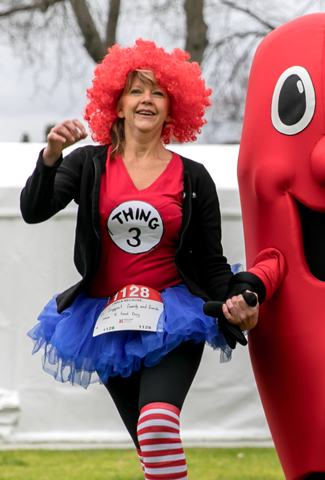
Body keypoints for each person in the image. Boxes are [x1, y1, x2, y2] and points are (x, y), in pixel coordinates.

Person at [21, 39, 258, 480]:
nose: (146, 99)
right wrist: (51, 157)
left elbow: (210, 262)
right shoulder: (89, 164)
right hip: (108, 323)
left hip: (173, 317)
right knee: (154, 453)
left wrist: (242, 294)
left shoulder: (193, 178)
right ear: (117, 103)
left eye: (158, 92)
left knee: (157, 424)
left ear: (174, 108)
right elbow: (34, 211)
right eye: (135, 90)